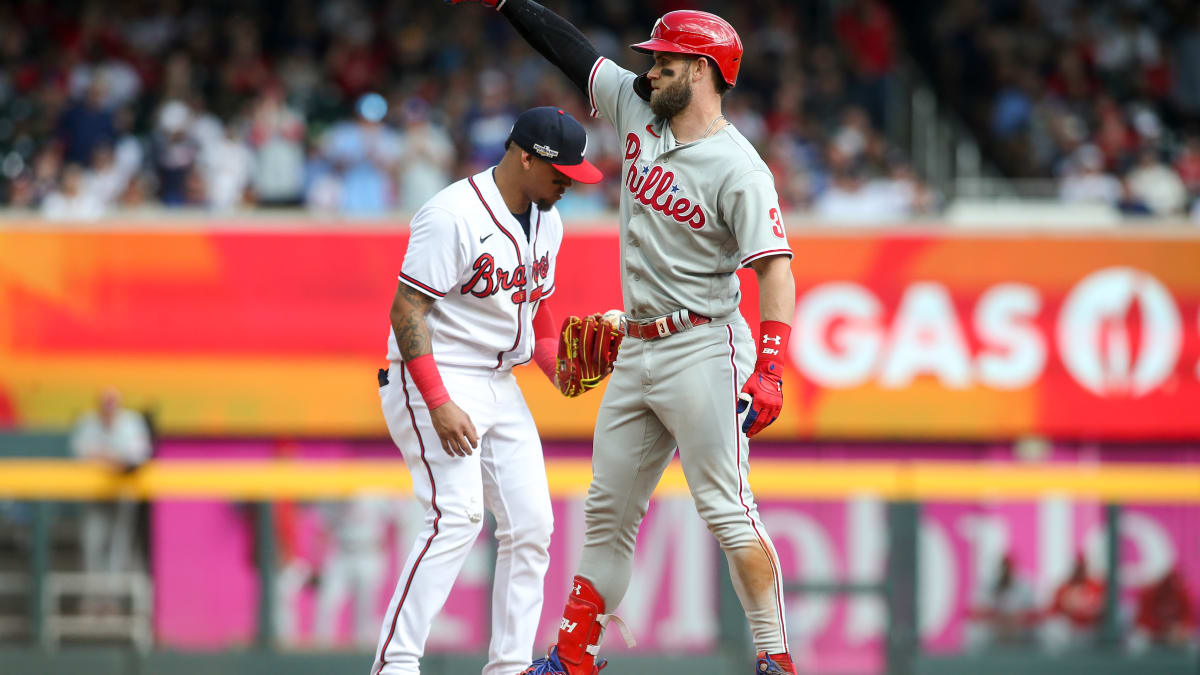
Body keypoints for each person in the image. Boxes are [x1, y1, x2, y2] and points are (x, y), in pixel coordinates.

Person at [449, 4, 800, 673]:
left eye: (666, 59)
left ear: (702, 70)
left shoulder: (740, 167)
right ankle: (574, 658)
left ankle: (775, 659)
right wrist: (506, 3)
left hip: (704, 343)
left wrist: (773, 366)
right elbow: (570, 50)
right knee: (607, 513)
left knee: (727, 509)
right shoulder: (640, 108)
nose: (651, 66)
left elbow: (775, 269)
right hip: (637, 347)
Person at [371, 106, 605, 675]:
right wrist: (438, 401)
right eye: (561, 173)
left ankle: (509, 666)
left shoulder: (548, 218)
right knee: (456, 516)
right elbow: (408, 310)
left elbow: (537, 303)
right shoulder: (451, 213)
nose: (568, 185)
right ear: (525, 157)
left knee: (533, 524)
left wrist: (561, 372)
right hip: (435, 371)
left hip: (500, 378)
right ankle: (394, 665)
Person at [68, 387, 152, 614]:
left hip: (123, 497)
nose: (108, 409)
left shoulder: (131, 422)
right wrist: (112, 459)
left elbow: (137, 457)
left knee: (119, 547)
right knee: (91, 544)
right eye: (105, 404)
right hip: (95, 497)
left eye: (112, 404)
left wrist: (110, 458)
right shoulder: (88, 422)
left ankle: (113, 601)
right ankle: (93, 599)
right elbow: (80, 454)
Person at [965, 554, 1038, 651]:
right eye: (1003, 568)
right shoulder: (989, 586)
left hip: (1018, 633)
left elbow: (1030, 613)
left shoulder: (1024, 586)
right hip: (994, 633)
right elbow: (979, 612)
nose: (1005, 571)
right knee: (975, 633)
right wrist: (999, 618)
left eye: (1008, 568)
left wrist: (1012, 619)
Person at [1042, 554, 1106, 652]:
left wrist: (1086, 611)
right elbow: (1052, 611)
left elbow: (1102, 609)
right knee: (1052, 628)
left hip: (1091, 629)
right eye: (1077, 567)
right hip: (1070, 631)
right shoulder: (1065, 587)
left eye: (1082, 567)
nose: (1080, 570)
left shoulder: (1095, 586)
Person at [1130, 566, 1197, 652]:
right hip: (1154, 634)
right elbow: (1143, 620)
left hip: (1175, 635)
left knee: (1193, 641)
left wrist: (1180, 629)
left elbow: (1188, 620)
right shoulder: (1150, 593)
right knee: (1138, 640)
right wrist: (1162, 630)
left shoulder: (1182, 594)